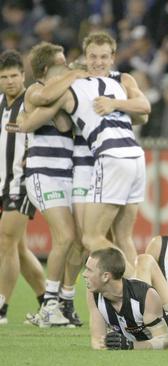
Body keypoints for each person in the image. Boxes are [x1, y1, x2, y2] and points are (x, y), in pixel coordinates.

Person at [13, 63, 147, 278]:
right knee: (102, 239)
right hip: (107, 164)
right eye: (93, 56)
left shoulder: (95, 87)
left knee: (93, 239)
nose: (98, 62)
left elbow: (142, 114)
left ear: (111, 58)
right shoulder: (112, 84)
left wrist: (114, 104)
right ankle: (137, 289)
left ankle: (137, 285)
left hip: (106, 162)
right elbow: (142, 114)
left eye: (103, 56)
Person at [12, 42, 83, 327]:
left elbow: (64, 126)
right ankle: (49, 304)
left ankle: (65, 300)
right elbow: (46, 114)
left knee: (79, 242)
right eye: (61, 62)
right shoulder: (34, 90)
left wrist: (29, 119)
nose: (67, 66)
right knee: (65, 237)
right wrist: (74, 76)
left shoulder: (63, 90)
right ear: (45, 69)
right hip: (43, 173)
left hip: (68, 173)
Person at [0, 50, 40, 325]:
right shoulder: (1, 103)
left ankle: (1, 307)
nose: (9, 81)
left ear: (23, 76)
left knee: (5, 241)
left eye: (14, 75)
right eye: (4, 76)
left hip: (23, 182)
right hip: (3, 183)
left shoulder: (33, 101)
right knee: (19, 248)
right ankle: (48, 300)